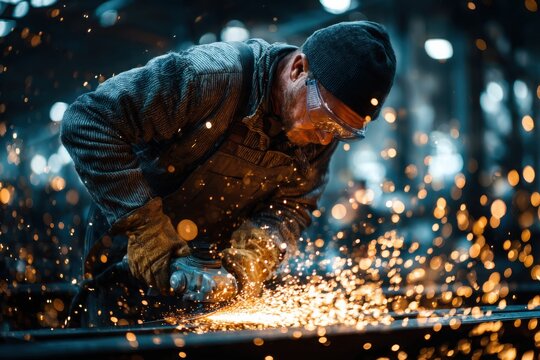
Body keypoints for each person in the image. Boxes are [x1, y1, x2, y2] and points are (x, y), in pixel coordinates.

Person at [61, 20, 396, 326]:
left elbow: (292, 207)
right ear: (297, 69)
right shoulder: (210, 78)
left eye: (341, 131)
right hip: (128, 265)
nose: (326, 138)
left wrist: (246, 263)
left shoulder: (320, 129)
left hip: (214, 282)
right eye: (325, 119)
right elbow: (89, 121)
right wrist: (147, 231)